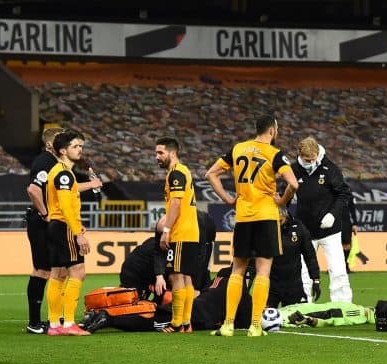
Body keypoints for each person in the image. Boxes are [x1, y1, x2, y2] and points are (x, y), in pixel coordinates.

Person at [205, 116, 298, 337]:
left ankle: (228, 324)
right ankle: (255, 326)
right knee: (263, 270)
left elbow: (210, 174)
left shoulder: (238, 149)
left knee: (238, 269)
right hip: (266, 217)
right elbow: (293, 184)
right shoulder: (274, 154)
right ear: (273, 131)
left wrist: (228, 199)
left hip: (244, 217)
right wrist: (282, 201)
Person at [83, 266, 253, 333]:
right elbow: (243, 324)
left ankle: (103, 315)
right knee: (150, 323)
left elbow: (206, 295)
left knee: (152, 313)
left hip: (191, 307)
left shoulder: (221, 279)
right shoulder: (241, 290)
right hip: (199, 318)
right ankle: (108, 318)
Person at [289, 136, 352, 302]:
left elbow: (344, 193)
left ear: (318, 153)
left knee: (337, 269)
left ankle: (343, 304)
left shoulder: (330, 168)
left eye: (313, 158)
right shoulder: (293, 170)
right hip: (305, 231)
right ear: (299, 155)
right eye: (306, 159)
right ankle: (303, 304)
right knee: (302, 271)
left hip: (330, 231)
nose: (310, 162)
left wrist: (333, 214)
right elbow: (285, 197)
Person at [45, 130, 93, 336]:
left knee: (58, 273)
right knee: (78, 271)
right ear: (63, 150)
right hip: (63, 225)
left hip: (56, 225)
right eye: (75, 146)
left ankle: (55, 324)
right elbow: (65, 205)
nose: (79, 149)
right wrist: (78, 233)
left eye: (81, 146)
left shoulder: (57, 171)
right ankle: (69, 323)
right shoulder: (64, 173)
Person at [154, 137, 200, 333]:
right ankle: (186, 323)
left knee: (175, 276)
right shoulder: (181, 171)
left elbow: (175, 203)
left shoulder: (176, 174)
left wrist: (166, 230)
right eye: (156, 153)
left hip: (181, 232)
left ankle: (177, 323)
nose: (157, 157)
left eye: (160, 153)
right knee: (186, 277)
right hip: (190, 231)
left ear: (172, 153)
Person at [24, 127, 62, 334]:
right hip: (41, 222)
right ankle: (34, 322)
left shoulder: (54, 163)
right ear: (49, 144)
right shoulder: (45, 161)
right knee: (42, 270)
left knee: (56, 269)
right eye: (60, 140)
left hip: (49, 222)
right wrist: (45, 214)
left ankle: (52, 319)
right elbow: (32, 189)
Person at [268, 206, 320, 307]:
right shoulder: (265, 229)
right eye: (274, 221)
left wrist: (316, 279)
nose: (277, 224)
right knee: (263, 320)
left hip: (294, 286)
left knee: (298, 319)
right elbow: (254, 257)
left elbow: (310, 255)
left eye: (280, 221)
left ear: (285, 216)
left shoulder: (299, 228)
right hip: (270, 286)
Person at [280, 301, 376, 328]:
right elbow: (331, 315)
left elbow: (331, 316)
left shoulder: (358, 314)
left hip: (307, 310)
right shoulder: (358, 313)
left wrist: (311, 321)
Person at [341, 194, 360, 273]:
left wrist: (355, 223)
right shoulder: (330, 192)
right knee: (333, 246)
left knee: (347, 245)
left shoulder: (347, 193)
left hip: (346, 222)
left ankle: (345, 266)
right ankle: (333, 267)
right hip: (333, 222)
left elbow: (352, 209)